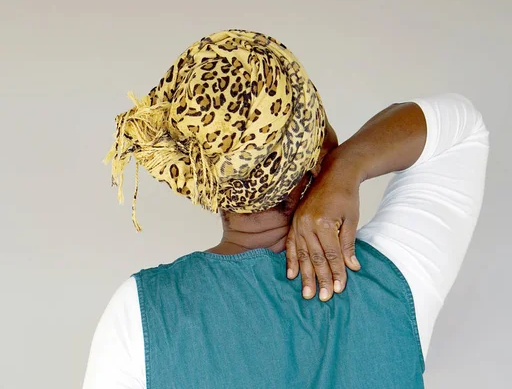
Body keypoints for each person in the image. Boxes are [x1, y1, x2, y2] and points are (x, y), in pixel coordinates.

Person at [83, 29, 489, 389]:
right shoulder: (397, 276)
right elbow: (462, 129)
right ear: (318, 147)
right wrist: (348, 167)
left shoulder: (143, 313)